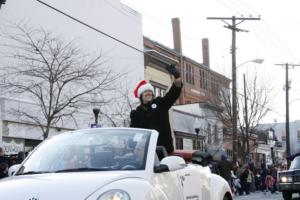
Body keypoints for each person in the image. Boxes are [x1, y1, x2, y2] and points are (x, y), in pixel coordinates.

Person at [130, 64, 182, 153]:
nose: (148, 93)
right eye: (145, 91)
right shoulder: (136, 113)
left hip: (164, 149)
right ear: (141, 96)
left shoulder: (160, 103)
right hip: (147, 151)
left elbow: (173, 94)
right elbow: (135, 133)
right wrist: (132, 148)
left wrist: (177, 78)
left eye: (150, 91)